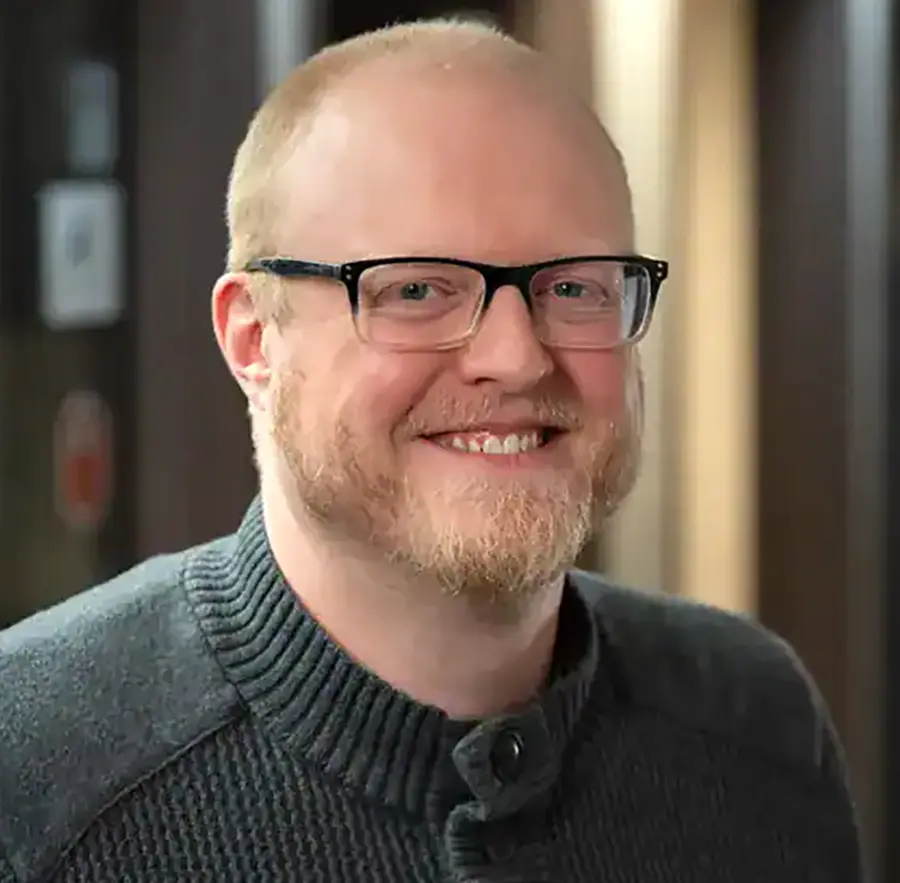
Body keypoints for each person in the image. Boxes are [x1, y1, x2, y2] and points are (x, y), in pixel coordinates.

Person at [0, 18, 863, 883]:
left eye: (573, 287)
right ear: (254, 338)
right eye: (416, 289)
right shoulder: (31, 774)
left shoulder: (758, 726)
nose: (517, 356)